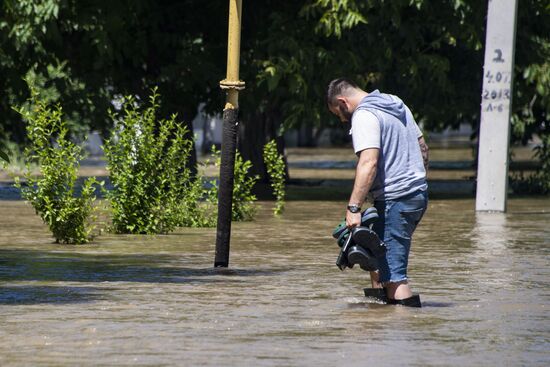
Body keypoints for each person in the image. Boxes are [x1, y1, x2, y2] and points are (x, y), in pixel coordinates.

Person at [326, 78, 429, 303]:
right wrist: (414, 183)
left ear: (343, 102)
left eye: (339, 114)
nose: (342, 119)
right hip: (417, 195)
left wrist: (354, 207)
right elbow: (423, 148)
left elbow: (368, 163)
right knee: (376, 257)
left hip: (395, 199)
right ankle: (380, 326)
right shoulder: (395, 103)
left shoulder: (364, 115)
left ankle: (402, 330)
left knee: (393, 275)